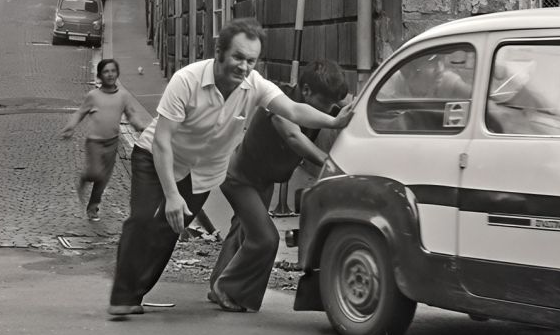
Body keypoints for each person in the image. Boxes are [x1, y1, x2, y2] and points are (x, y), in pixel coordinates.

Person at [107, 17, 352, 319]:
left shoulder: (255, 86)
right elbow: (162, 141)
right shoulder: (187, 80)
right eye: (238, 57)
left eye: (251, 60)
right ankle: (122, 295)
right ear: (219, 52)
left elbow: (293, 110)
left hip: (204, 172)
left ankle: (136, 292)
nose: (244, 67)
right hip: (156, 156)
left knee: (168, 232)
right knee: (144, 219)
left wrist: (334, 121)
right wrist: (171, 195)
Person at [208, 59, 350, 313]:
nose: (330, 110)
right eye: (326, 104)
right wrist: (330, 163)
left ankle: (215, 285)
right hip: (239, 178)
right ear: (306, 91)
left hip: (263, 180)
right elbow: (293, 136)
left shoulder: (317, 103)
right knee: (265, 238)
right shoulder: (278, 101)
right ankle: (228, 289)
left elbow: (347, 104)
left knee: (242, 230)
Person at [61, 58, 151, 221]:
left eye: (113, 71)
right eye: (106, 71)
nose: (110, 75)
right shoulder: (93, 96)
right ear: (100, 75)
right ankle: (84, 178)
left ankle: (93, 207)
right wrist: (70, 127)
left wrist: (142, 127)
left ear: (117, 73)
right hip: (94, 142)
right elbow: (80, 112)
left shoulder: (123, 96)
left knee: (103, 179)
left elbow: (131, 115)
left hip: (112, 142)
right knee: (96, 173)